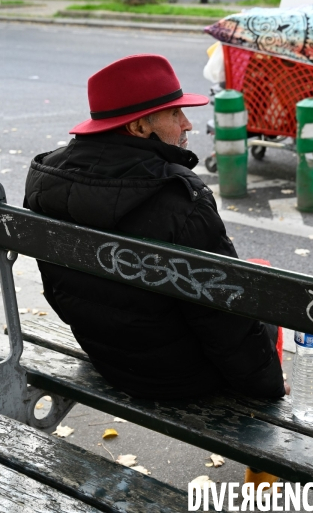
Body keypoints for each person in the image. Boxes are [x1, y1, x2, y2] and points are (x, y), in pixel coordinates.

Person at [24, 54, 286, 403]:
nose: (188, 124)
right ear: (138, 127)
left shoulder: (47, 178)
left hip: (109, 361)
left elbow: (59, 292)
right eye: (175, 113)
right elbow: (226, 322)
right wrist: (268, 390)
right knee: (260, 287)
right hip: (183, 379)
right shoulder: (180, 199)